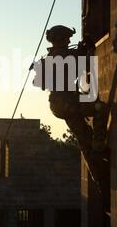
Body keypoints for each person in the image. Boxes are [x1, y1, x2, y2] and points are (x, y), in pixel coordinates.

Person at [32, 25, 109, 183]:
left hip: (58, 105)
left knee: (84, 137)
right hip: (67, 102)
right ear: (60, 39)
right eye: (66, 38)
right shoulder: (66, 56)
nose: (68, 41)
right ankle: (100, 148)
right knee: (101, 109)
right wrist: (87, 49)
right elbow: (88, 64)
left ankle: (99, 177)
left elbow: (37, 82)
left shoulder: (50, 58)